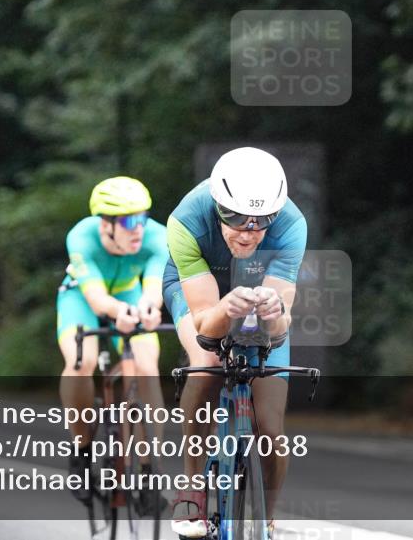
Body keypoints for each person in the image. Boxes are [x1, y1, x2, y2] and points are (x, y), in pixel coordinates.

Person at [163, 147, 307, 539]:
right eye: (235, 219)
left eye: (262, 222)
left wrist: (273, 310)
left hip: (260, 299)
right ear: (217, 204)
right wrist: (227, 309)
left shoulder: (292, 224)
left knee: (270, 428)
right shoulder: (187, 218)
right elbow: (207, 327)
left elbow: (277, 332)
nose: (248, 231)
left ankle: (267, 517)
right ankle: (192, 490)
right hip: (199, 291)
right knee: (208, 364)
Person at [55, 176, 168, 497]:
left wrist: (148, 309)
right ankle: (82, 449)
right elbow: (96, 300)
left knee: (147, 367)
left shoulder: (158, 237)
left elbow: (152, 289)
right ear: (105, 225)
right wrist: (120, 313)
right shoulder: (81, 236)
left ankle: (148, 470)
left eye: (143, 217)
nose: (139, 229)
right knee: (82, 360)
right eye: (129, 220)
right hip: (81, 297)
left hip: (129, 293)